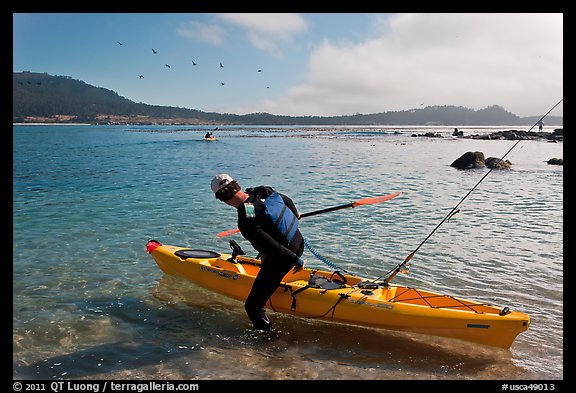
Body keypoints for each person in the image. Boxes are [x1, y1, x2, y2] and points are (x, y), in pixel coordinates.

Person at [211, 173, 305, 331]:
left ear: (223, 200)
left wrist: (297, 261)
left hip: (286, 257)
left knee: (253, 306)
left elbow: (273, 246)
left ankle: (269, 344)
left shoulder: (246, 221)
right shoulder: (260, 191)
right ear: (236, 185)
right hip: (298, 242)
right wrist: (295, 215)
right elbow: (287, 200)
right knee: (266, 257)